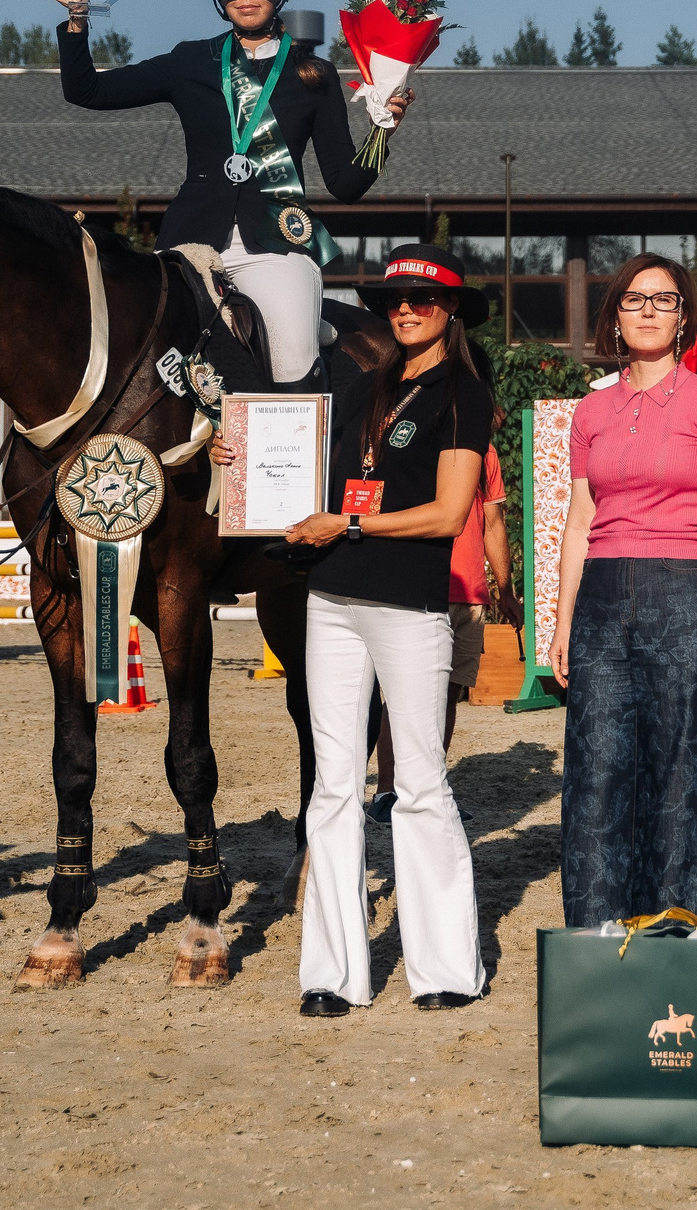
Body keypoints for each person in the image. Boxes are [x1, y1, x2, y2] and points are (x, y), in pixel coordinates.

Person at [216, 243, 493, 1015]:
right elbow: (308, 471)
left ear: (452, 309)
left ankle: (445, 969)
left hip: (408, 605)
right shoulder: (361, 387)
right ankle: (333, 975)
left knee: (419, 783)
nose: (405, 309)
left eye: (422, 299)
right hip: (331, 600)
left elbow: (449, 512)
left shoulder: (464, 393)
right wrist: (236, 455)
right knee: (334, 786)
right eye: (394, 299)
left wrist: (352, 524)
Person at [49, 0, 413, 384]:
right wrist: (78, 16)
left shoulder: (314, 75)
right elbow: (87, 91)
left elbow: (345, 185)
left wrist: (383, 132)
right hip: (190, 244)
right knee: (142, 363)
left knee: (292, 359)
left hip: (276, 248)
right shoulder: (189, 61)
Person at [548, 255, 697, 927]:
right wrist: (562, 623)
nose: (648, 310)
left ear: (684, 317)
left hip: (685, 596)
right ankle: (594, 940)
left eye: (664, 300)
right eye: (634, 298)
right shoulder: (591, 411)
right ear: (614, 315)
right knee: (595, 772)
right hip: (602, 601)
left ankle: (675, 936)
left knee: (680, 773)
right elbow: (579, 523)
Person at [369, 412, 509, 822]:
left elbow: (493, 524)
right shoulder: (413, 445)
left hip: (469, 593)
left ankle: (430, 787)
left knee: (447, 696)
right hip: (418, 587)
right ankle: (386, 791)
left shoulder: (485, 453)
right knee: (401, 696)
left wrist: (506, 590)